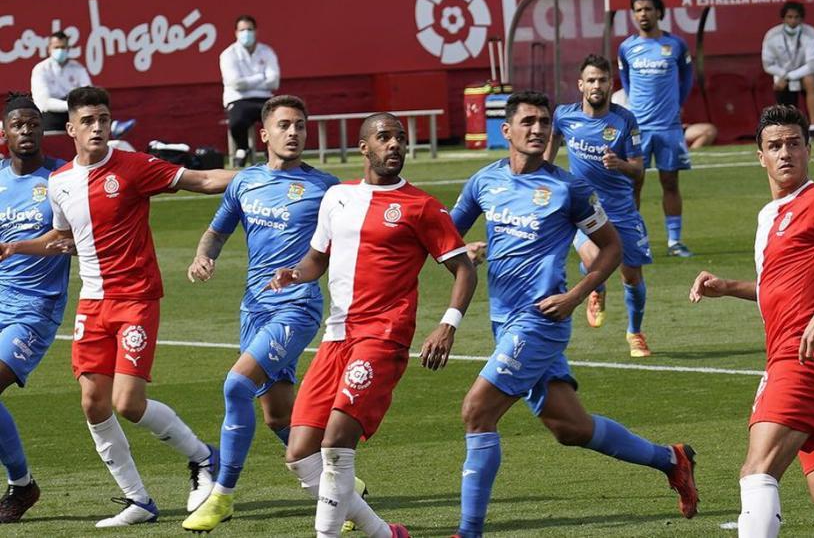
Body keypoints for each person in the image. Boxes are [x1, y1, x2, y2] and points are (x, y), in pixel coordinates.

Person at [449, 91, 698, 538]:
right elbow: (444, 236)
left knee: (476, 411)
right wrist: (462, 250)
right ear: (506, 131)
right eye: (527, 121)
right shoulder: (484, 182)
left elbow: (612, 248)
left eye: (544, 121)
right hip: (504, 324)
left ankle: (468, 532)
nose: (538, 129)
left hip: (541, 320)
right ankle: (671, 459)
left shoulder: (568, 189)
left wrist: (577, 295)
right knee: (570, 427)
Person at [0, 87, 236, 527]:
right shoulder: (60, 182)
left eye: (103, 119)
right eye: (87, 121)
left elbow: (201, 181)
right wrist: (16, 247)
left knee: (127, 402)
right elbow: (59, 238)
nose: (96, 127)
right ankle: (139, 501)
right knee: (93, 403)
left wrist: (255, 177)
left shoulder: (134, 167)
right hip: (92, 303)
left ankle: (206, 458)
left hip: (135, 299)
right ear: (70, 129)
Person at [689, 105, 814, 538]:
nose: (786, 153)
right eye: (775, 146)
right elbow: (783, 288)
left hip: (803, 358)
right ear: (759, 156)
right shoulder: (771, 215)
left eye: (794, 144)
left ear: (809, 149)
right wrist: (728, 287)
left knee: (757, 469)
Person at [272, 112, 476, 538]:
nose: (395, 144)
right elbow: (318, 257)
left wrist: (448, 325)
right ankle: (385, 534)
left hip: (382, 336)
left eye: (400, 137)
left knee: (335, 445)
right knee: (299, 453)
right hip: (336, 337)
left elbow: (464, 269)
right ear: (364, 147)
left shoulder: (422, 206)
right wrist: (295, 273)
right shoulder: (337, 197)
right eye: (385, 137)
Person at [180, 96, 342, 532]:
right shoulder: (246, 182)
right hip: (253, 309)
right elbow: (217, 231)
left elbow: (356, 242)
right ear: (264, 134)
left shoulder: (328, 188)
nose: (294, 133)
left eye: (301, 126)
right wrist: (203, 256)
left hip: (298, 307)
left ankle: (223, 496)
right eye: (285, 125)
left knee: (236, 386)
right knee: (276, 416)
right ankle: (343, 491)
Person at [546, 55, 654, 357]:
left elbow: (638, 169)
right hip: (584, 209)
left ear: (610, 84)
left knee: (632, 276)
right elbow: (547, 155)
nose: (597, 85)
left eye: (602, 80)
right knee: (596, 263)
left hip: (621, 210)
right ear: (581, 84)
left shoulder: (624, 120)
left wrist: (619, 164)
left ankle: (635, 333)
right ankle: (597, 287)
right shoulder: (563, 117)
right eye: (591, 80)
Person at [0, 95, 67, 524]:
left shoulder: (63, 179)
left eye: (33, 125)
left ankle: (22, 485)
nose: (26, 131)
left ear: (42, 130)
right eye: (18, 125)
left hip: (35, 310)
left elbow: (82, 239)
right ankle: (22, 487)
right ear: (4, 133)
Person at [618, 0, 695, 257]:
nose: (643, 14)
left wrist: (677, 105)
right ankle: (632, 239)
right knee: (634, 183)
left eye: (648, 9)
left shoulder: (676, 45)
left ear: (659, 12)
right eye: (638, 10)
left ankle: (674, 241)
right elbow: (626, 81)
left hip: (668, 127)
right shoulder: (627, 47)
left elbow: (687, 78)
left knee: (670, 183)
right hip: (638, 129)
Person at [220, 15, 280, 168]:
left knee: (276, 118)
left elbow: (274, 81)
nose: (246, 33)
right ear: (236, 32)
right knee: (237, 121)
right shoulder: (228, 54)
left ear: (256, 31)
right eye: (242, 30)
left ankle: (272, 152)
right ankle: (242, 148)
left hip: (264, 98)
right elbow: (235, 84)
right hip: (238, 99)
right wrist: (261, 77)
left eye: (249, 29)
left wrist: (248, 81)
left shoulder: (267, 52)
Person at [761, 1, 814, 138]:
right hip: (780, 74)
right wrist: (783, 76)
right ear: (783, 18)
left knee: (810, 80)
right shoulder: (772, 35)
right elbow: (768, 64)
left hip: (802, 72)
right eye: (790, 17)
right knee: (780, 89)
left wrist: (789, 76)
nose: (793, 20)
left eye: (796, 17)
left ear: (802, 18)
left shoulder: (810, 32)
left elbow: (812, 65)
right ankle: (785, 126)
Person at [30, 31, 91, 132]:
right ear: (49, 49)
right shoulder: (41, 69)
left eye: (63, 47)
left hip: (74, 114)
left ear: (68, 49)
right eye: (56, 47)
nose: (60, 50)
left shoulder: (78, 68)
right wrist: (71, 105)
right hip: (50, 116)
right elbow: (44, 103)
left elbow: (88, 93)